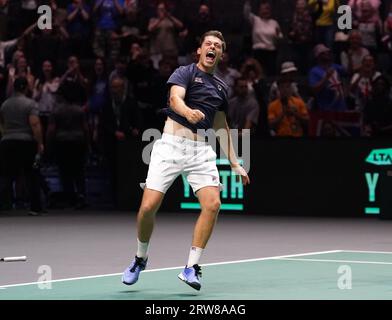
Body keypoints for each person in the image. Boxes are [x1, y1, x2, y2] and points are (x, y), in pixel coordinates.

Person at [121, 30, 250, 291]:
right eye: (208, 44)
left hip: (200, 151)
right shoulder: (185, 72)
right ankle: (140, 258)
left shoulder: (221, 88)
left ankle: (191, 267)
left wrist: (235, 163)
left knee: (213, 204)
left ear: (221, 55)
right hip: (170, 146)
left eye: (217, 46)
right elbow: (174, 99)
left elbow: (221, 127)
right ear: (200, 51)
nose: (212, 47)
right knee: (148, 208)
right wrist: (188, 112)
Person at [0, 77, 43, 214]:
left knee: (6, 175)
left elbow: (2, 124)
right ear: (25, 88)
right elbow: (35, 124)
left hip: (7, 142)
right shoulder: (31, 104)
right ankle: (35, 207)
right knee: (32, 173)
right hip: (25, 143)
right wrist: (40, 143)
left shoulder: (4, 105)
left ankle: (3, 204)